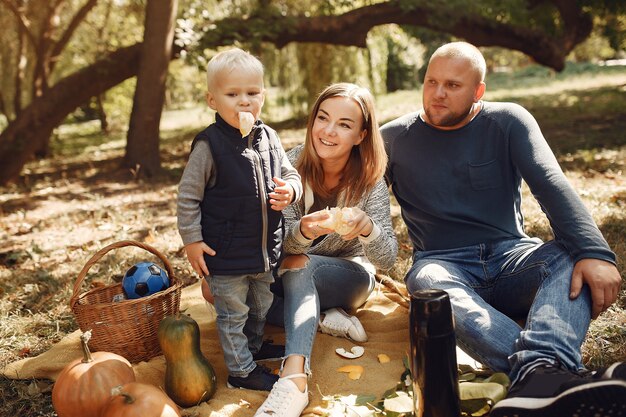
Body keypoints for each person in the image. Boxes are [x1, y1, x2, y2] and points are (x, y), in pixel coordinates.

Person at [381, 41, 625, 416]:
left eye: (452, 85)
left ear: (478, 91)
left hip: (512, 258)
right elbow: (351, 191)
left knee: (565, 256)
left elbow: (550, 183)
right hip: (443, 264)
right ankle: (549, 375)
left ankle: (539, 372)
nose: (438, 93)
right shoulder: (393, 139)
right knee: (424, 282)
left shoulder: (508, 120)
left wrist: (594, 251)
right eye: (431, 82)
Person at [251, 83, 398, 417]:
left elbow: (387, 259)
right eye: (323, 118)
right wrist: (303, 230)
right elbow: (281, 248)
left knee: (301, 263)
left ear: (361, 135)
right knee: (218, 292)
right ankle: (321, 318)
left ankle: (293, 380)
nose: (328, 131)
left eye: (344, 125)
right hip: (291, 274)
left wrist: (367, 228)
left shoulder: (370, 179)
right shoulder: (287, 168)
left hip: (348, 278)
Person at [177, 48, 303, 392]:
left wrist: (290, 190)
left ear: (263, 94)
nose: (243, 102)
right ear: (212, 100)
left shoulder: (270, 137)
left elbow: (292, 173)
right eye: (232, 94)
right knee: (233, 313)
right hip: (226, 252)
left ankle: (254, 346)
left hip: (264, 249)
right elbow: (188, 196)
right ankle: (240, 370)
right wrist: (191, 239)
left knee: (260, 305)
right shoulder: (209, 146)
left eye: (252, 93)